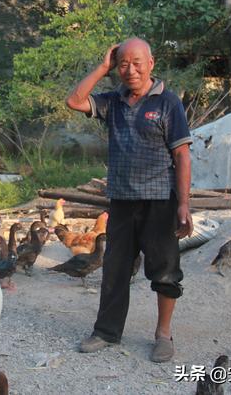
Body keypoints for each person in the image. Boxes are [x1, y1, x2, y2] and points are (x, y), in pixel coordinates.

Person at [65, 37, 193, 362]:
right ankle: (106, 332)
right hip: (121, 202)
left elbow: (182, 155)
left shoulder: (168, 103)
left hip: (160, 202)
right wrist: (102, 67)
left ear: (151, 63)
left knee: (164, 271)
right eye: (123, 63)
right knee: (114, 269)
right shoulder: (112, 102)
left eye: (137, 63)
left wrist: (183, 204)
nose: (130, 70)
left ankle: (163, 334)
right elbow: (74, 101)